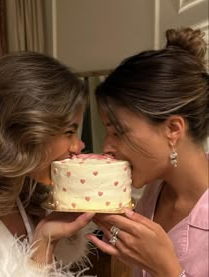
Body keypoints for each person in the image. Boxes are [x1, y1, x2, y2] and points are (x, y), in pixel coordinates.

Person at [86, 27, 209, 277]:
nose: (106, 148)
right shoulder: (155, 191)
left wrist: (167, 270)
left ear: (173, 129)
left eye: (118, 132)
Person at [0, 52, 96, 276]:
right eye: (69, 131)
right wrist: (44, 245)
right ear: (21, 130)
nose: (78, 145)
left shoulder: (25, 193)